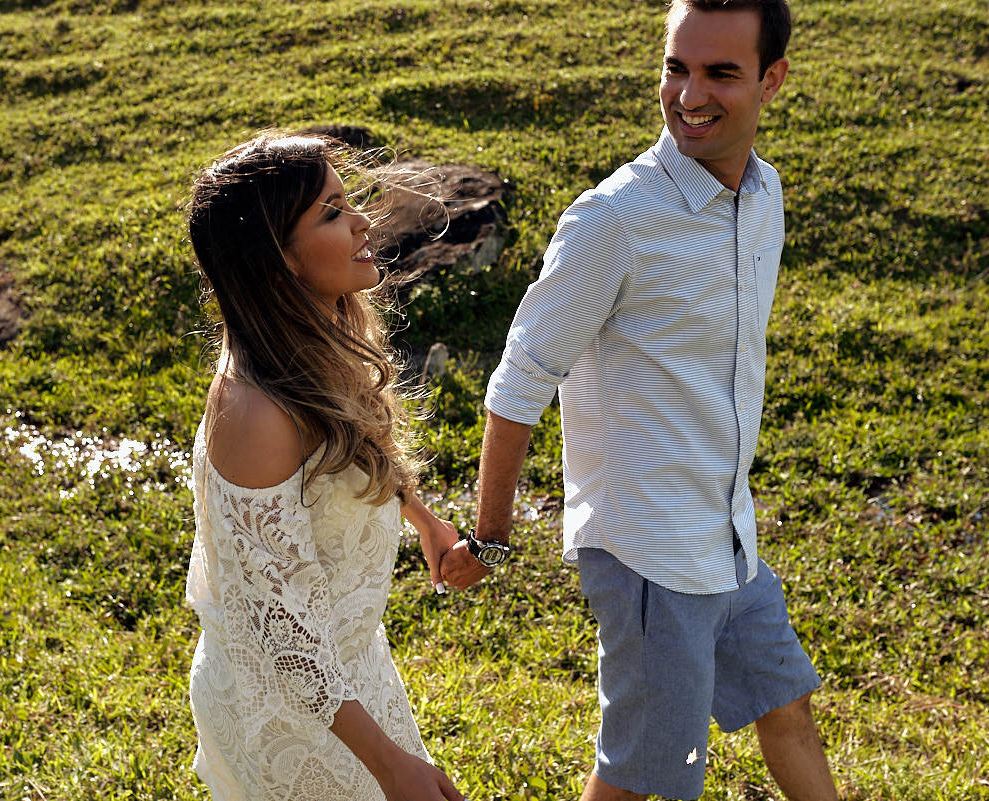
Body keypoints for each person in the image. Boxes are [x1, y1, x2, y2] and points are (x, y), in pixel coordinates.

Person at [441, 1, 840, 799]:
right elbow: (521, 376)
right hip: (651, 551)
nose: (689, 94)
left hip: (728, 530)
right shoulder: (614, 220)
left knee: (786, 703)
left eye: (720, 72)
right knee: (644, 778)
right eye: (676, 66)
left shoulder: (764, 197)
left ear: (773, 80)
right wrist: (489, 536)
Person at [184, 132, 464, 801]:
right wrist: (391, 766)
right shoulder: (254, 414)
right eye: (333, 213)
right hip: (284, 705)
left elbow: (355, 441)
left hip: (350, 672)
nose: (364, 220)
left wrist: (421, 516)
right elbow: (281, 635)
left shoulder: (324, 340)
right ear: (278, 260)